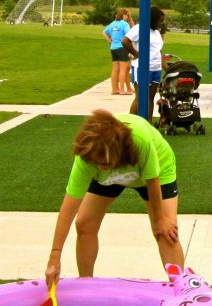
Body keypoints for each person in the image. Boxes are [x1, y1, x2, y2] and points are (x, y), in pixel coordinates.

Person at [44, 109, 183, 286]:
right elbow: (69, 206)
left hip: (157, 170)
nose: (100, 167)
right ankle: (87, 286)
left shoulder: (139, 140)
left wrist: (160, 220)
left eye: (104, 163)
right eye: (97, 163)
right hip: (112, 174)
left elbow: (152, 179)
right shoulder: (88, 156)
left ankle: (181, 290)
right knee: (84, 224)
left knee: (165, 231)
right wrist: (55, 255)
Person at [122, 6, 166, 118]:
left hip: (156, 68)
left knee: (150, 98)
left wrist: (167, 68)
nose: (161, 24)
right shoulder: (139, 28)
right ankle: (130, 124)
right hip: (142, 67)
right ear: (153, 19)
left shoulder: (156, 33)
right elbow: (125, 41)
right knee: (141, 97)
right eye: (159, 21)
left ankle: (148, 123)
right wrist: (136, 54)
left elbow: (158, 52)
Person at [103, 8, 134, 95]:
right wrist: (131, 50)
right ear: (124, 15)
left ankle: (114, 89)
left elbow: (104, 32)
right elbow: (129, 36)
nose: (128, 17)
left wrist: (109, 40)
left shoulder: (112, 24)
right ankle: (122, 90)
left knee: (115, 69)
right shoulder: (124, 24)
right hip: (122, 48)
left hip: (113, 48)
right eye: (127, 15)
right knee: (123, 70)